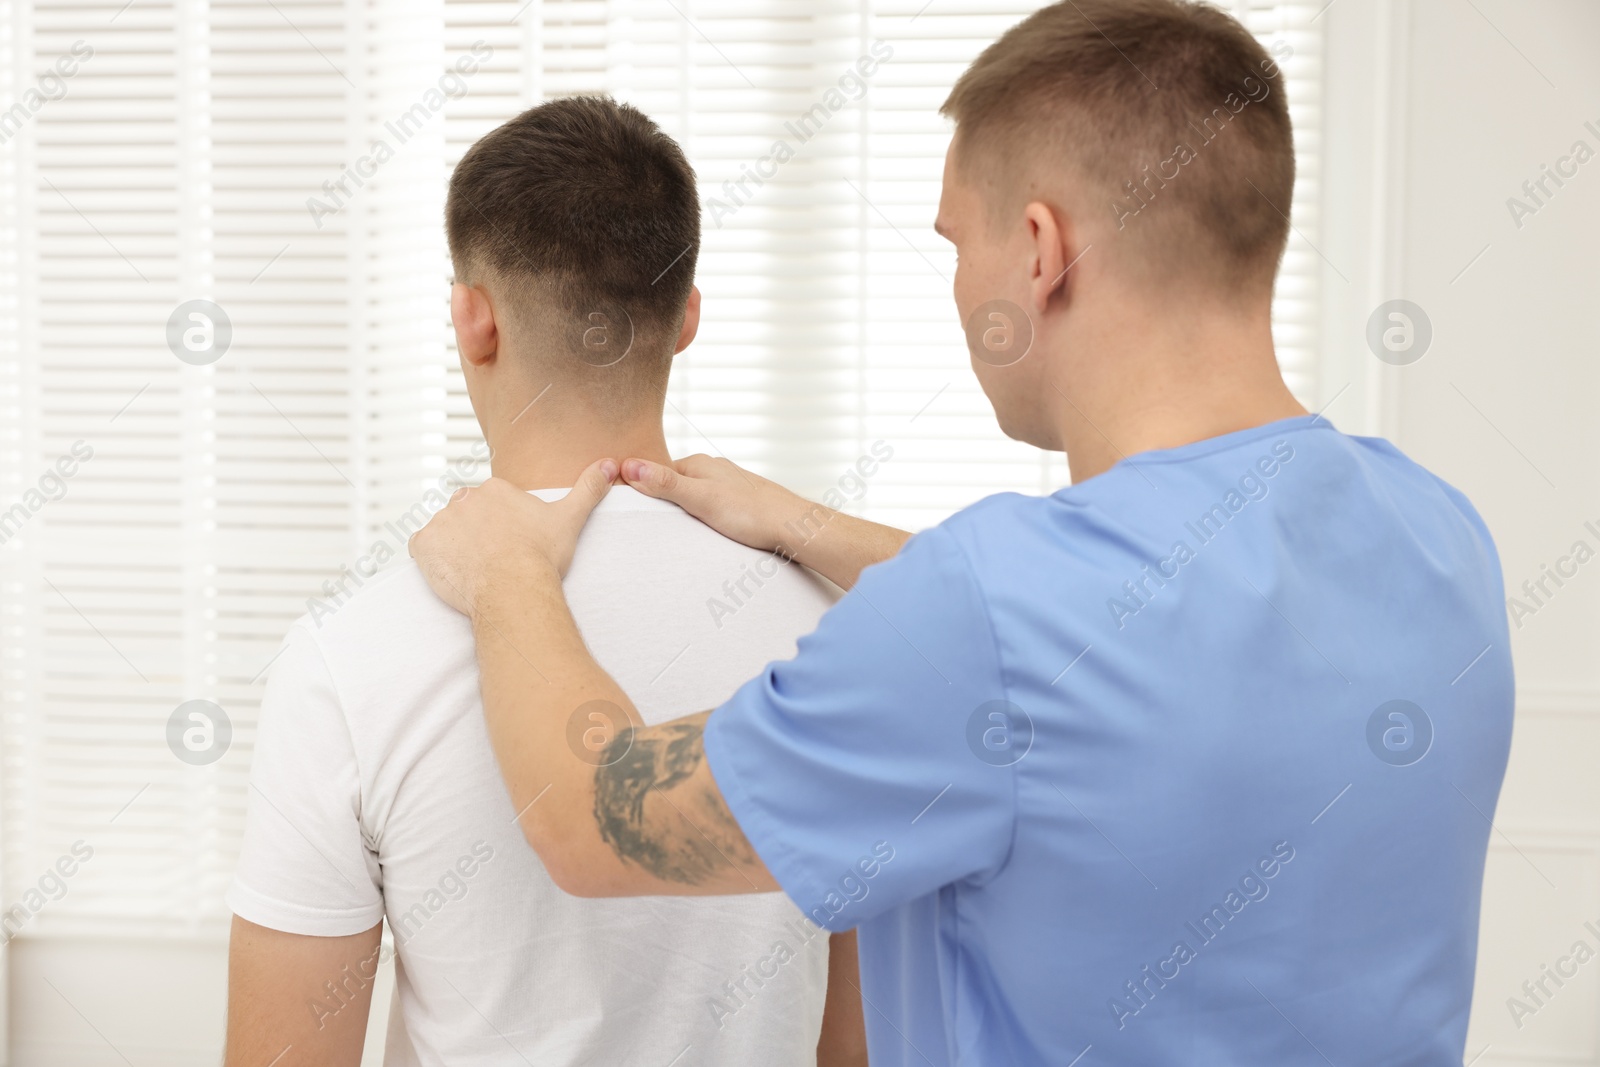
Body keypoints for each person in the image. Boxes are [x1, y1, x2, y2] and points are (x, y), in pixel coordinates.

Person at [410, 2, 1515, 1064]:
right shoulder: (1436, 531)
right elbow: (1138, 632)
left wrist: (511, 574)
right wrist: (809, 526)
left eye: (954, 241)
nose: (957, 284)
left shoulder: (988, 612)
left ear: (1040, 249)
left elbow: (600, 825)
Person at [224, 97, 867, 1067]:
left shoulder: (347, 653)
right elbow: (853, 1042)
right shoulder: (842, 628)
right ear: (685, 317)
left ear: (471, 318)